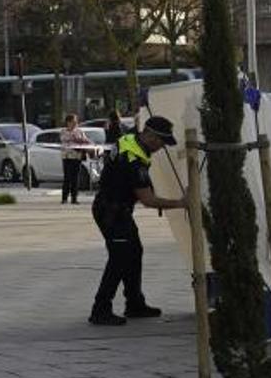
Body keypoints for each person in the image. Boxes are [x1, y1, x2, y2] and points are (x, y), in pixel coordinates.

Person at [89, 115, 186, 326]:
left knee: (134, 252)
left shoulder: (130, 140)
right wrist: (180, 203)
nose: (162, 147)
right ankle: (100, 309)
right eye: (161, 141)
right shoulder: (133, 160)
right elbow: (148, 200)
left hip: (116, 210)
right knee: (119, 258)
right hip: (111, 212)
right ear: (149, 134)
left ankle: (134, 304)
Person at [59, 114, 91, 204]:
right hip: (67, 157)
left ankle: (74, 198)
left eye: (75, 122)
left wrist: (83, 141)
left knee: (75, 178)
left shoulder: (80, 131)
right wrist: (77, 139)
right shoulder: (63, 131)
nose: (74, 123)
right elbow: (65, 139)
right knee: (67, 178)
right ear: (68, 122)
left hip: (77, 157)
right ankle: (64, 198)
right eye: (72, 122)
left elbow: (86, 140)